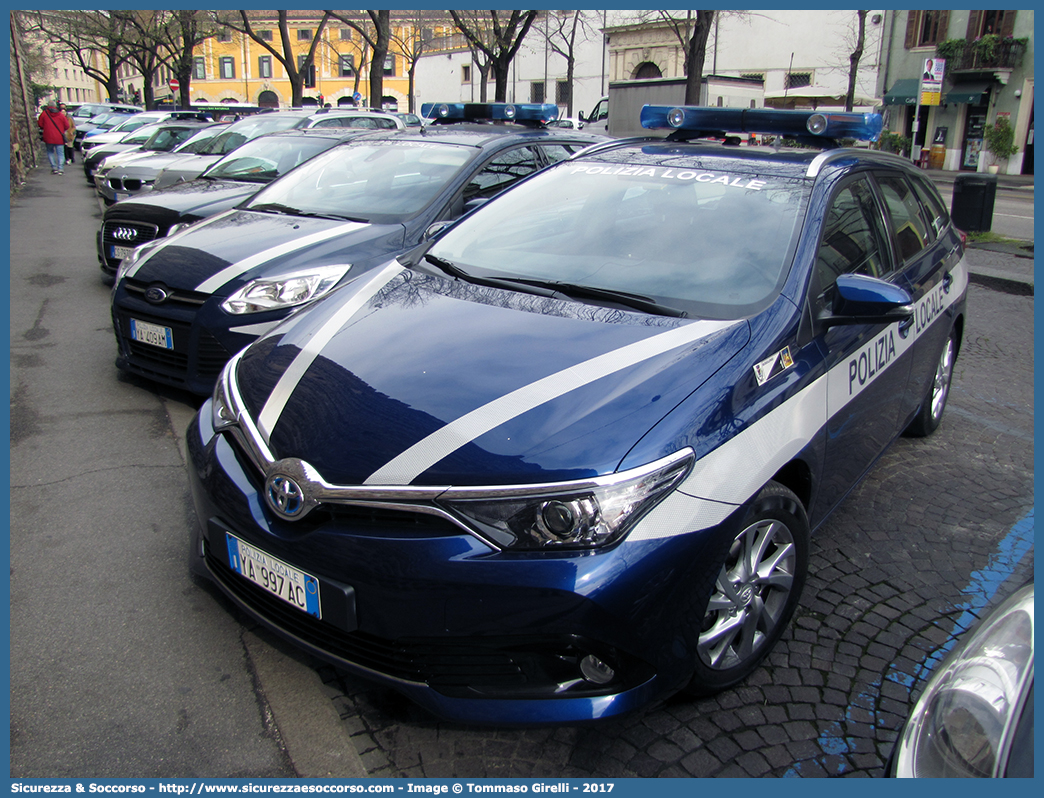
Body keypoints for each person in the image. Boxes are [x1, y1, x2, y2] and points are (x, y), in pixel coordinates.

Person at [38, 100, 69, 175]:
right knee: (60, 153)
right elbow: (67, 126)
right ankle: (60, 168)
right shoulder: (60, 115)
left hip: (48, 136)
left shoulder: (44, 114)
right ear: (55, 106)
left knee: (50, 151)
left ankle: (54, 167)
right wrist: (62, 129)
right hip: (59, 137)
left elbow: (40, 124)